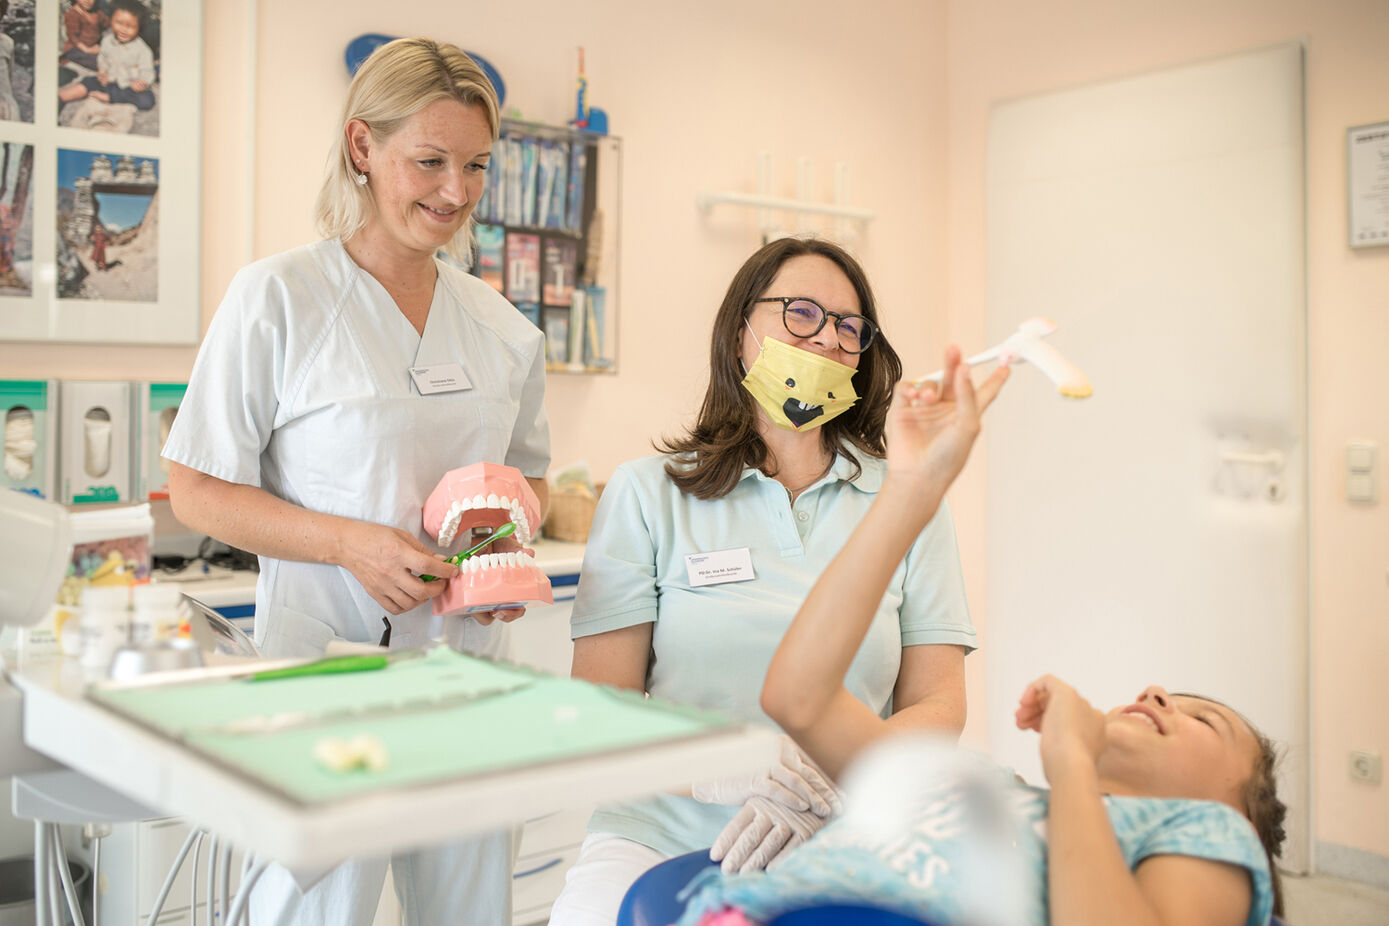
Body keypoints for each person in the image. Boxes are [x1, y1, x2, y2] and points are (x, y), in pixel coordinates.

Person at [674, 350, 1286, 926]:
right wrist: (912, 490)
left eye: (1207, 720)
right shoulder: (983, 790)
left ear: (1237, 815)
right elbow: (799, 698)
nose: (1157, 693)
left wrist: (1070, 761)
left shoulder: (1212, 837)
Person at [163, 38, 549, 926]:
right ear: (360, 147)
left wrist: (500, 558)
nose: (455, 192)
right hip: (326, 673)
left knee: (470, 912)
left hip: (468, 679)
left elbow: (520, 478)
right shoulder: (278, 298)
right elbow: (196, 488)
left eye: (476, 167)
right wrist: (348, 543)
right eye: (429, 161)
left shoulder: (501, 328)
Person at [549, 237, 980, 924]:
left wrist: (835, 776)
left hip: (843, 834)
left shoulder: (907, 495)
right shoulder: (645, 493)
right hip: (655, 834)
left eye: (849, 328)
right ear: (741, 329)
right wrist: (727, 769)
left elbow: (937, 706)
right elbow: (599, 713)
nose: (829, 342)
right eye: (801, 313)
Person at [58, 0, 155, 111]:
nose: (123, 30)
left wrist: (141, 82)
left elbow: (147, 71)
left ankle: (110, 98)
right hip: (109, 82)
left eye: (131, 26)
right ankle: (60, 97)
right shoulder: (107, 41)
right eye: (119, 23)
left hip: (128, 87)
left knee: (146, 100)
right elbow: (102, 58)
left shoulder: (142, 50)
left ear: (139, 28)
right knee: (89, 81)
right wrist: (103, 72)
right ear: (111, 20)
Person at [60, 0, 110, 72]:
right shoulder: (73, 14)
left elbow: (107, 24)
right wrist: (87, 49)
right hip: (76, 49)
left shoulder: (97, 12)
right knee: (100, 64)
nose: (87, 1)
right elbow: (73, 37)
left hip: (93, 46)